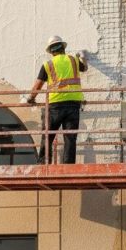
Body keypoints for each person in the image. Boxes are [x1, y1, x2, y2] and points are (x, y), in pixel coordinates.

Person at [26, 35, 88, 164]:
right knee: (70, 138)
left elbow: (38, 85)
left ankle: (43, 163)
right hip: (73, 104)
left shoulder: (48, 65)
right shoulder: (73, 60)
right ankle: (68, 166)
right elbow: (85, 68)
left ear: (51, 51)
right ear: (63, 48)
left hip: (55, 105)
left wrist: (30, 98)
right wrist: (83, 57)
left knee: (48, 136)